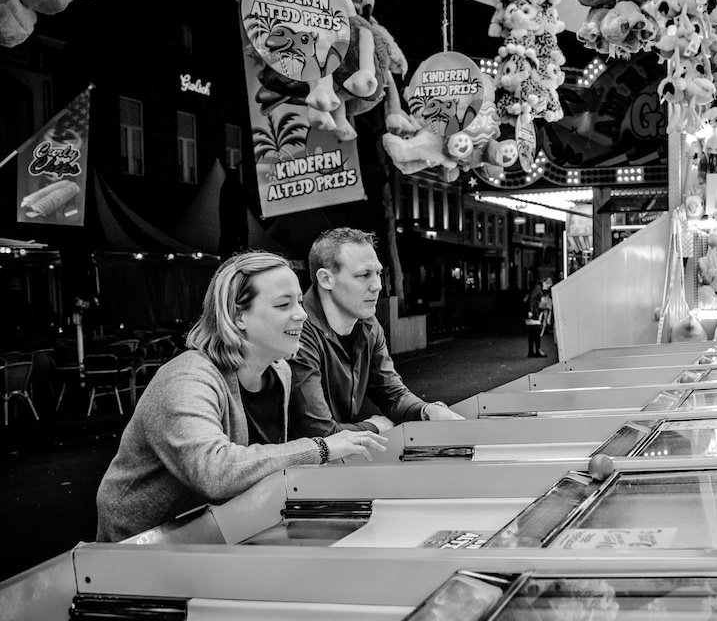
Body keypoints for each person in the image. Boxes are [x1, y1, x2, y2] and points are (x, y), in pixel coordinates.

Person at [95, 252, 387, 542]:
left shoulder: (280, 372)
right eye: (283, 304)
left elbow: (264, 469)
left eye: (299, 301)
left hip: (221, 533)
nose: (301, 314)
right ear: (238, 316)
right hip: (139, 549)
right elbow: (215, 472)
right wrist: (321, 448)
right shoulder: (186, 378)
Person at [290, 228, 463, 438]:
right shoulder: (296, 329)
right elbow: (319, 432)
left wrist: (427, 411)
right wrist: (376, 427)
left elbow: (392, 393)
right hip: (291, 467)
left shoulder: (368, 325)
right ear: (326, 279)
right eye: (364, 275)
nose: (377, 286)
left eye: (379, 273)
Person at [525, 277, 552, 357]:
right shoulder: (538, 288)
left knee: (531, 333)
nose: (546, 288)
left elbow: (531, 298)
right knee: (536, 332)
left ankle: (531, 351)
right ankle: (538, 350)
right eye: (547, 286)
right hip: (533, 313)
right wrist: (530, 310)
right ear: (545, 283)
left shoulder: (536, 286)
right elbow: (532, 298)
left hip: (531, 312)